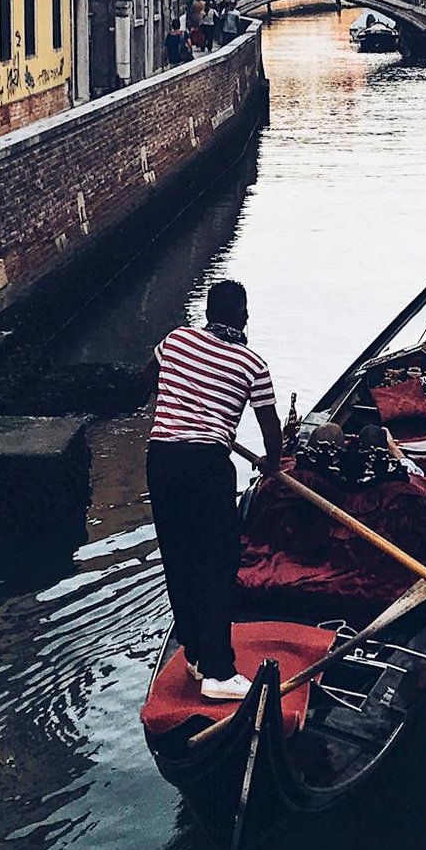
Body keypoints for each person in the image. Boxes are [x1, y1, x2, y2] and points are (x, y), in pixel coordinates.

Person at [146, 280, 284, 700]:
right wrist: (272, 465)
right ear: (242, 315)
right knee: (218, 564)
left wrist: (182, 403)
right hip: (206, 465)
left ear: (208, 313)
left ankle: (195, 653)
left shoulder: (175, 340)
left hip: (161, 458)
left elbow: (153, 380)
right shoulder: (251, 364)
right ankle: (220, 673)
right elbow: (270, 427)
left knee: (179, 557)